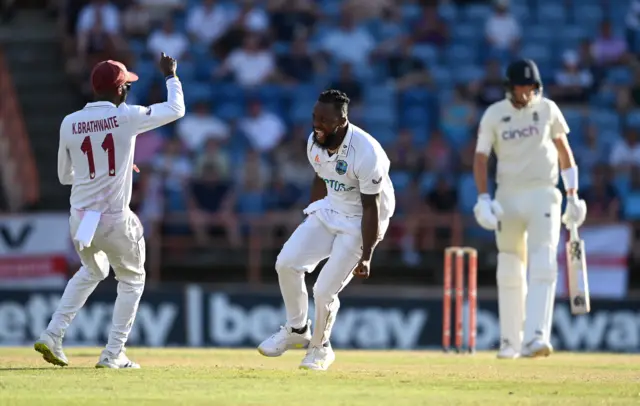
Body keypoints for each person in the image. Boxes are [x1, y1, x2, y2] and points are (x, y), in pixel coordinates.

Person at [34, 53, 185, 369]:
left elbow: (65, 176)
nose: (127, 90)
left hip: (80, 218)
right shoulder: (126, 116)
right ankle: (113, 352)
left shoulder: (69, 122)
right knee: (132, 279)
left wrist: (108, 169)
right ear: (119, 90)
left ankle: (52, 334)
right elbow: (176, 109)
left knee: (93, 270)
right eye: (126, 85)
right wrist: (171, 75)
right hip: (114, 219)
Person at [257, 90, 395, 370]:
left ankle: (321, 349)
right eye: (314, 117)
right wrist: (314, 212)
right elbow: (322, 177)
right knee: (286, 263)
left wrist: (366, 255)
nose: (316, 124)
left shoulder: (367, 153)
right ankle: (297, 331)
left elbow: (371, 208)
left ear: (342, 120)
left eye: (324, 119)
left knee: (323, 291)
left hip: (362, 221)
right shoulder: (314, 142)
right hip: (331, 209)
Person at [472, 59, 587, 359]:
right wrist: (483, 198)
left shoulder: (548, 109)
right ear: (509, 88)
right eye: (520, 88)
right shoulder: (495, 114)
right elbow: (481, 158)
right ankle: (510, 342)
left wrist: (573, 195)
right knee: (509, 266)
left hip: (543, 194)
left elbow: (564, 151)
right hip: (507, 196)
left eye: (530, 88)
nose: (525, 94)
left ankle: (537, 337)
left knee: (544, 261)